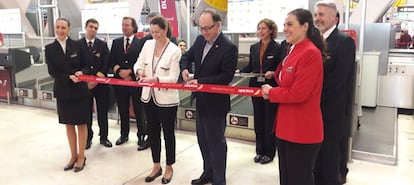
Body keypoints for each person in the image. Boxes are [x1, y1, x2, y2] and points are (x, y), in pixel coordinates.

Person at [261, 8, 326, 185]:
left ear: (305, 26)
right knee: (287, 179)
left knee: (299, 179)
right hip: (285, 127)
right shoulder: (292, 50)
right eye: (284, 25)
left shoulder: (310, 53)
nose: (285, 29)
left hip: (302, 130)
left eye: (290, 24)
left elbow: (299, 93)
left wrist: (271, 92)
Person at [180, 9, 238, 185]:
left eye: (208, 28)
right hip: (201, 102)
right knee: (203, 142)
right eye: (201, 28)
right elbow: (186, 57)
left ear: (218, 25)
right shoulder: (199, 41)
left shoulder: (229, 48)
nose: (204, 32)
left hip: (216, 104)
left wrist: (200, 81)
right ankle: (208, 173)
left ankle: (219, 180)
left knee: (216, 144)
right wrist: (184, 68)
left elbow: (225, 76)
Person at [134, 16, 181, 184]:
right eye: (152, 32)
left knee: (168, 134)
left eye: (157, 32)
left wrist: (157, 80)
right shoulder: (147, 45)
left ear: (165, 30)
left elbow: (174, 77)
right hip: (148, 96)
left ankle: (169, 166)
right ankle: (156, 165)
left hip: (166, 99)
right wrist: (139, 72)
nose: (154, 35)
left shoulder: (174, 50)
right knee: (153, 132)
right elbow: (138, 64)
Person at [313, 2, 356, 185]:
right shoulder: (314, 41)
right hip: (313, 109)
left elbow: (339, 79)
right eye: (316, 14)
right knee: (316, 152)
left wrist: (312, 96)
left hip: (332, 109)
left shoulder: (344, 42)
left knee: (330, 153)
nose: (317, 18)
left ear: (334, 18)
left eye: (322, 14)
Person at [45, 17, 90, 172]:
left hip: (80, 90)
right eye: (57, 27)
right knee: (69, 123)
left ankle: (82, 156)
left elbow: (86, 64)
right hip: (63, 90)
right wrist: (68, 77)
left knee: (81, 123)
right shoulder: (50, 49)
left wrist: (81, 72)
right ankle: (73, 155)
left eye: (63, 28)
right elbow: (52, 71)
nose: (60, 30)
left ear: (69, 29)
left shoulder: (78, 45)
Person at [240, 18, 281, 164]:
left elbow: (280, 67)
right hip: (255, 87)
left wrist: (274, 72)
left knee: (269, 120)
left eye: (264, 28)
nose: (261, 31)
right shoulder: (254, 47)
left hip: (270, 88)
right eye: (259, 28)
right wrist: (240, 71)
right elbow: (251, 66)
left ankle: (269, 153)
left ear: (270, 30)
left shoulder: (278, 48)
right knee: (258, 120)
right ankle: (260, 151)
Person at [109, 17, 149, 150]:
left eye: (127, 25)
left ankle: (141, 135)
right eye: (123, 25)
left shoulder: (141, 43)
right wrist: (119, 72)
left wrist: (131, 73)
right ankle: (124, 134)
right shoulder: (116, 42)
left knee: (139, 110)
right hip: (120, 83)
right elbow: (111, 61)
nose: (124, 27)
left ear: (133, 27)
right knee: (122, 109)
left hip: (135, 82)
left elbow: (143, 61)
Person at [79, 18, 112, 149]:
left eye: (96, 28)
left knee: (102, 111)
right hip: (85, 84)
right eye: (91, 27)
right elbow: (77, 64)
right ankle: (88, 137)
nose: (93, 30)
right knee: (86, 112)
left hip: (100, 84)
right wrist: (87, 78)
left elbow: (106, 62)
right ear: (86, 27)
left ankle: (104, 137)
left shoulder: (102, 45)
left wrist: (97, 78)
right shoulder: (78, 45)